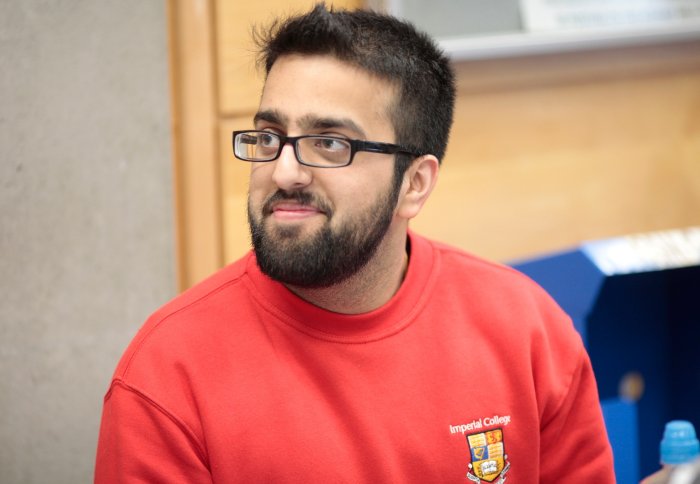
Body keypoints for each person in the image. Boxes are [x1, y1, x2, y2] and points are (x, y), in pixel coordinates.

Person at [95, 4, 615, 482]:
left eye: (329, 143)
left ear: (414, 184)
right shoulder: (167, 375)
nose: (284, 171)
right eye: (270, 135)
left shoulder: (528, 333)